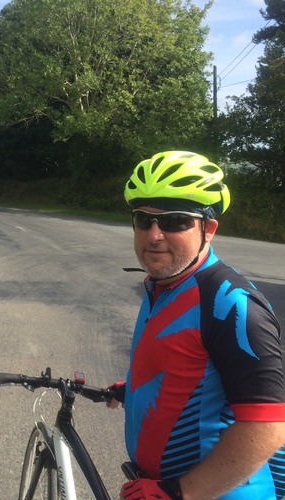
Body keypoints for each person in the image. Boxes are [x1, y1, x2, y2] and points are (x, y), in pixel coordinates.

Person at [108, 151, 285, 499]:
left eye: (175, 221)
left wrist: (180, 493)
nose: (154, 235)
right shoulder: (162, 284)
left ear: (209, 229)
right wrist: (136, 388)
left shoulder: (231, 304)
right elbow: (190, 369)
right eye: (143, 219)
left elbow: (267, 426)